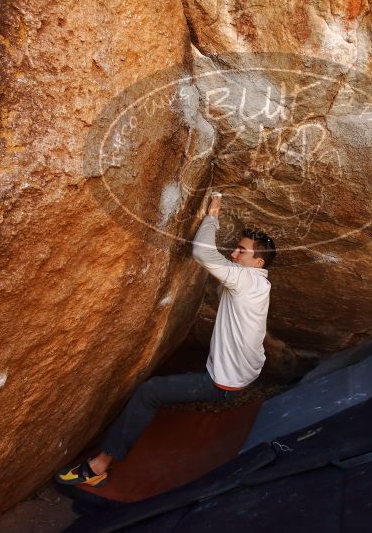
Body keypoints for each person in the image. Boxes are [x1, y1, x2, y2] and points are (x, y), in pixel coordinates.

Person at [56, 193, 276, 487]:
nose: (234, 254)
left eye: (241, 251)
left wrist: (212, 214)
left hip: (223, 383)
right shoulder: (260, 283)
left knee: (150, 393)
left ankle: (99, 467)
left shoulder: (246, 279)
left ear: (258, 262)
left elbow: (202, 252)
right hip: (247, 372)